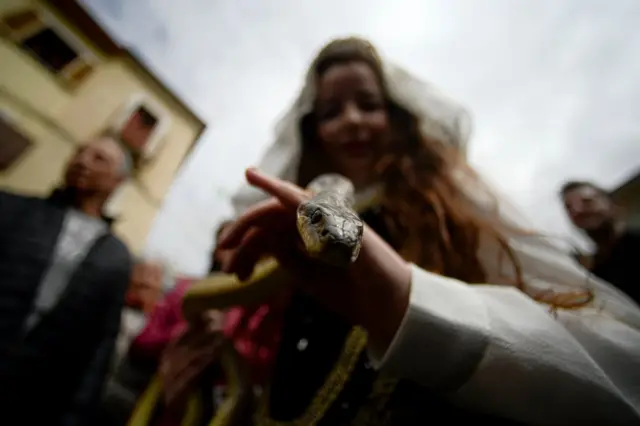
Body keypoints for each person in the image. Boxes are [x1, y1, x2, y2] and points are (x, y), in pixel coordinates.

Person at [215, 37, 640, 425]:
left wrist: (408, 302)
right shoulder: (286, 229)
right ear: (312, 131)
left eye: (369, 103)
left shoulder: (451, 202)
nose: (352, 121)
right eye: (331, 112)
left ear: (397, 114)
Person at [0, 136, 133, 425]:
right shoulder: (14, 210)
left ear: (118, 181)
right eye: (80, 152)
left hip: (35, 400)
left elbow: (101, 345)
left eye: (99, 159)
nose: (82, 160)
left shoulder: (116, 257)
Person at [561, 180, 640, 306]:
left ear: (611, 204)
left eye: (587, 201)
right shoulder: (595, 273)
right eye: (569, 208)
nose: (577, 210)